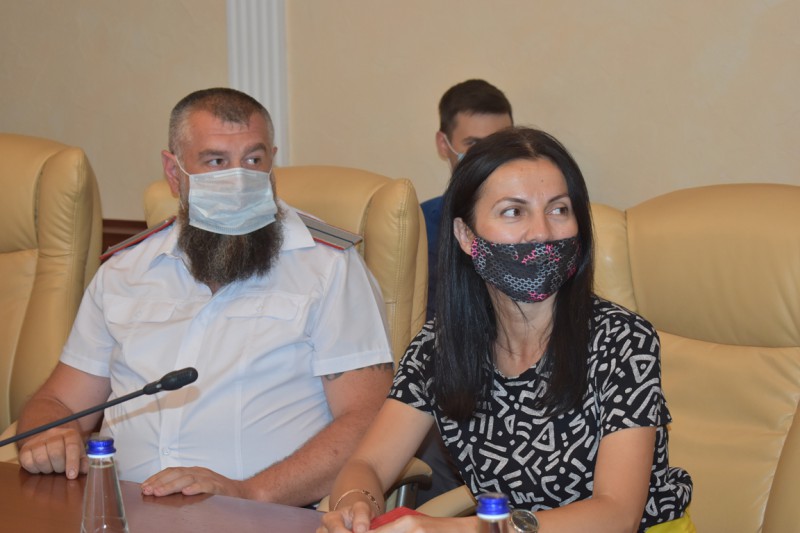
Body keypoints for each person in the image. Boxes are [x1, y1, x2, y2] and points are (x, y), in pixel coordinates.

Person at [15, 87, 395, 508]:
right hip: (122, 513)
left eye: (253, 160)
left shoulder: (328, 267)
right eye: (216, 162)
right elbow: (58, 402)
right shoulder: (124, 272)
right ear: (174, 171)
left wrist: (250, 493)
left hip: (264, 514)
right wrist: (51, 435)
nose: (239, 178)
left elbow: (369, 419)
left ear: (272, 163)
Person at [319, 127, 694, 532]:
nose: (542, 232)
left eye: (559, 209)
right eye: (514, 212)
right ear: (466, 236)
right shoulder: (440, 346)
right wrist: (355, 503)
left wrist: (465, 529)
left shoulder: (623, 340)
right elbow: (368, 464)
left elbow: (617, 514)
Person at [421, 79, 513, 322]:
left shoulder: (536, 227)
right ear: (444, 145)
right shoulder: (419, 228)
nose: (489, 156)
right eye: (474, 144)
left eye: (501, 142)